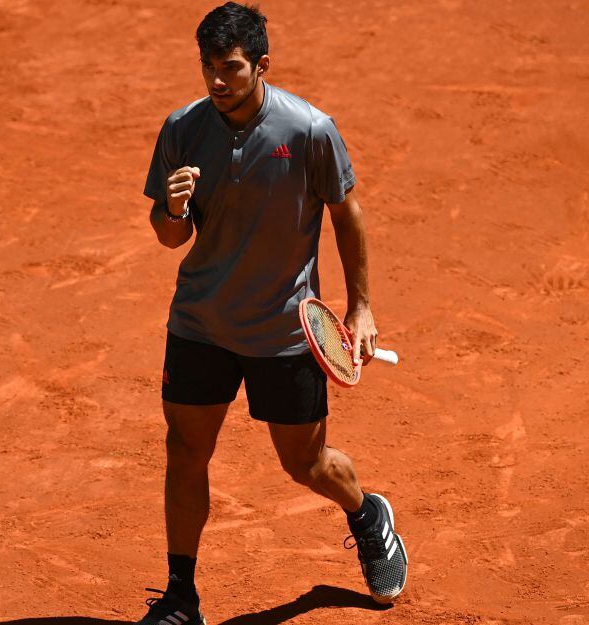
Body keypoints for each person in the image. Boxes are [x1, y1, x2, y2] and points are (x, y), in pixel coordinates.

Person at [136, 3, 407, 623]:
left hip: (284, 330)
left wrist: (361, 307)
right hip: (201, 322)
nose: (216, 81)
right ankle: (181, 596)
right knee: (186, 450)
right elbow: (171, 238)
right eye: (208, 67)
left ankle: (367, 513)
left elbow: (347, 213)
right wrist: (172, 210)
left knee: (305, 464)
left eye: (230, 67)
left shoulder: (309, 130)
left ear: (261, 64)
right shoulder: (181, 128)